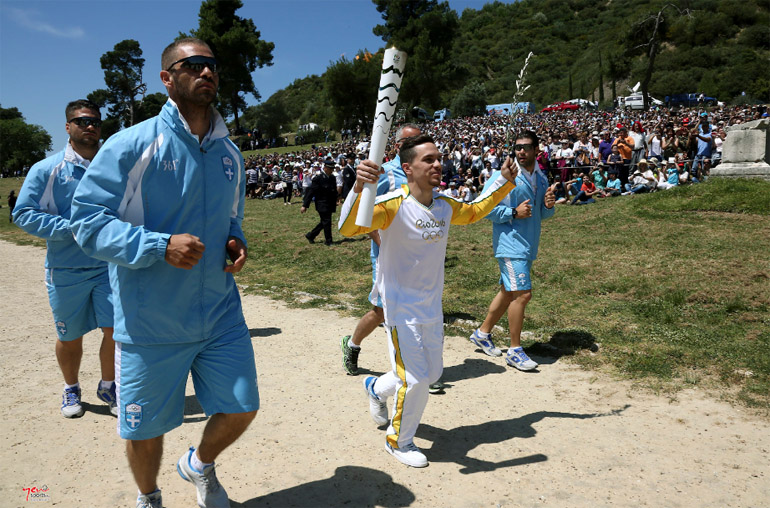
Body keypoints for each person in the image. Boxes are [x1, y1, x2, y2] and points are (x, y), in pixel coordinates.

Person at [70, 38, 259, 508]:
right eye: (193, 64)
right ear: (167, 78)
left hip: (219, 314)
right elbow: (86, 224)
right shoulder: (132, 145)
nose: (206, 72)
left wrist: (236, 242)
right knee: (144, 430)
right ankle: (149, 497)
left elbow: (231, 220)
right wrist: (157, 246)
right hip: (149, 322)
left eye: (212, 65)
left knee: (242, 406)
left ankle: (198, 466)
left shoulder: (229, 155)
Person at [338, 134, 518, 467]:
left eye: (439, 158)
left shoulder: (444, 205)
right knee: (416, 379)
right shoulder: (392, 205)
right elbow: (349, 228)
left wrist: (503, 181)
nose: (438, 164)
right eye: (429, 160)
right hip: (399, 307)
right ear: (408, 169)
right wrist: (358, 188)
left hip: (431, 306)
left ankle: (376, 388)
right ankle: (399, 441)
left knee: (431, 374)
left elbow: (476, 210)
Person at [13, 99, 117, 419]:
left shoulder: (112, 167)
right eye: (82, 121)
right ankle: (71, 387)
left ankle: (110, 385)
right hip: (66, 269)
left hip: (108, 267)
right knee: (69, 337)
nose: (90, 127)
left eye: (95, 122)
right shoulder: (47, 169)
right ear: (68, 127)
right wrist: (72, 229)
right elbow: (23, 214)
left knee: (117, 331)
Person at [469, 131, 556, 371]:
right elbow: (483, 208)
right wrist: (513, 213)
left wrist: (549, 205)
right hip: (510, 245)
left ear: (537, 149)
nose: (521, 151)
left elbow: (542, 214)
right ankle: (515, 350)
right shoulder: (503, 176)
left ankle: (483, 333)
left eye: (527, 147)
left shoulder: (540, 177)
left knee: (509, 292)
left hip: (528, 245)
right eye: (517, 147)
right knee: (522, 295)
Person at [339, 124, 421, 376]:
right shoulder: (385, 173)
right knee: (382, 311)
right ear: (398, 146)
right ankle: (352, 345)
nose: (418, 144)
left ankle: (417, 367)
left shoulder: (421, 170)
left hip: (416, 256)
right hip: (387, 257)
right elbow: (364, 213)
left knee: (415, 308)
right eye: (413, 141)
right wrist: (382, 241)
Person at [301, 157, 338, 245]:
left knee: (324, 222)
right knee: (327, 221)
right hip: (322, 204)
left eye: (332, 169)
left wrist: (337, 199)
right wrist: (305, 205)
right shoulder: (318, 179)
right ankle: (329, 241)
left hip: (330, 204)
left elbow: (334, 191)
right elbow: (310, 192)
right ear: (325, 168)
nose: (331, 170)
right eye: (330, 168)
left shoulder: (332, 178)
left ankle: (311, 235)